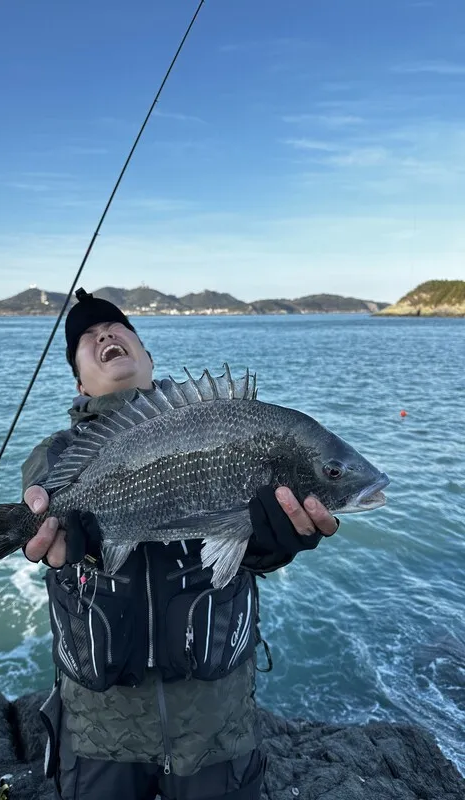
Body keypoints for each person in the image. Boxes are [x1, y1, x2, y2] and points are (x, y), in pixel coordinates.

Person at [21, 288, 339, 800]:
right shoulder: (57, 454)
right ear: (79, 380)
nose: (105, 333)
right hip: (101, 731)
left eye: (119, 327)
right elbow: (41, 504)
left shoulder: (221, 424)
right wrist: (44, 527)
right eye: (86, 336)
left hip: (216, 726)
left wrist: (268, 546)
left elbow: (237, 549)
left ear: (148, 356)